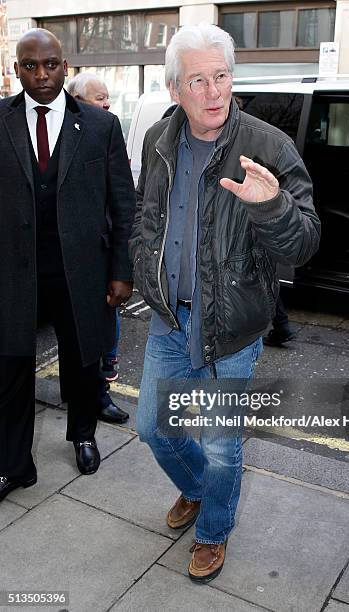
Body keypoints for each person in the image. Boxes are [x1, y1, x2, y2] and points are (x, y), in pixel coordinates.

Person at [129, 23, 320, 582]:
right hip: (170, 319)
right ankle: (196, 491)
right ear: (174, 91)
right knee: (153, 428)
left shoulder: (267, 146)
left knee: (220, 445)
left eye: (222, 76)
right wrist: (144, 265)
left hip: (234, 328)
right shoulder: (158, 141)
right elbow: (148, 215)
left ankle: (213, 530)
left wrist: (272, 207)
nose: (214, 92)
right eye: (198, 81)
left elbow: (306, 242)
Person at [0, 28, 135, 502]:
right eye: (30, 66)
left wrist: (122, 270)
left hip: (81, 271)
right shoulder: (0, 120)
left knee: (82, 362)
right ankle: (14, 465)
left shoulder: (100, 125)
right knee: (11, 367)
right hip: (14, 274)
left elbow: (123, 203)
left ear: (65, 66)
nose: (41, 75)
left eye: (51, 64)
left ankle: (82, 435)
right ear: (17, 69)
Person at [66, 72, 128, 425]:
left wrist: (122, 268)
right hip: (63, 259)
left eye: (108, 99)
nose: (106, 105)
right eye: (98, 98)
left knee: (103, 331)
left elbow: (121, 200)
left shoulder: (108, 130)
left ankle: (99, 396)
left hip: (101, 255)